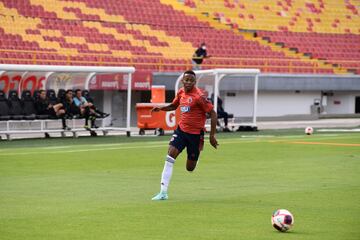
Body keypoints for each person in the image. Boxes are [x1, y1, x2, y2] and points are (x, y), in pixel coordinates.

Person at [151, 70, 218, 201]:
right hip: (181, 131)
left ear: (195, 82)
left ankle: (196, 154)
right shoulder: (181, 92)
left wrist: (211, 136)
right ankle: (163, 192)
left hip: (195, 135)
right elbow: (174, 106)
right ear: (182, 80)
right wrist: (161, 108)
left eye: (190, 80)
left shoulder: (199, 97)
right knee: (170, 155)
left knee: (190, 168)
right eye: (186, 80)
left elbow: (213, 114)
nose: (188, 82)